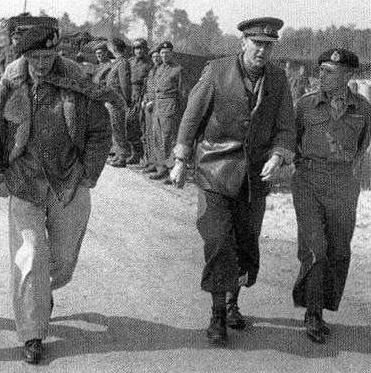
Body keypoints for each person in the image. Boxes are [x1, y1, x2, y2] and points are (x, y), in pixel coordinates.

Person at [0, 25, 112, 364]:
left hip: (69, 182)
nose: (41, 64)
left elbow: (100, 131)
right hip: (24, 182)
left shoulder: (77, 81)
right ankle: (32, 334)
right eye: (35, 57)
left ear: (57, 54)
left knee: (62, 262)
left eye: (48, 56)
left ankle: (41, 292)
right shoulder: (7, 84)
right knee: (30, 255)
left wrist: (88, 173)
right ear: (24, 55)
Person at [170, 17, 295, 345]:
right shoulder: (216, 71)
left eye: (268, 46)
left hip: (254, 178)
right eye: (257, 44)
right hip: (215, 171)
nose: (262, 51)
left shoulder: (278, 79)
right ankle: (217, 314)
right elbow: (191, 117)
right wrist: (181, 159)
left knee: (244, 243)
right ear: (243, 43)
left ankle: (232, 303)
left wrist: (278, 156)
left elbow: (286, 127)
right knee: (218, 241)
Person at [291, 49, 371, 344]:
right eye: (321, 69)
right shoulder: (305, 104)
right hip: (309, 182)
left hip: (344, 186)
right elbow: (292, 139)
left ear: (348, 75)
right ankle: (313, 313)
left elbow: (362, 145)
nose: (321, 75)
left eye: (329, 71)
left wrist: (346, 171)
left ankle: (323, 305)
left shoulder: (363, 108)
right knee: (315, 249)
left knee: (338, 251)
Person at [150, 41, 186, 183]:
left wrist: (181, 111)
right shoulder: (158, 69)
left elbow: (183, 92)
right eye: (162, 53)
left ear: (172, 53)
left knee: (169, 139)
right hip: (158, 106)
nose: (164, 55)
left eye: (167, 53)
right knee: (157, 137)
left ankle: (172, 171)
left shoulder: (178, 69)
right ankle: (161, 168)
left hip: (170, 106)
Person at [105, 37, 132, 168]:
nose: (108, 48)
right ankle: (118, 153)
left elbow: (124, 84)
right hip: (112, 100)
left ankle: (122, 156)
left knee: (118, 128)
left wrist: (126, 100)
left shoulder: (122, 63)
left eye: (110, 46)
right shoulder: (117, 62)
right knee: (114, 127)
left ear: (114, 48)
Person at [128, 38, 152, 165]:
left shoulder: (150, 64)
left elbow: (151, 82)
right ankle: (134, 153)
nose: (139, 51)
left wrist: (146, 98)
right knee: (129, 124)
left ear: (145, 50)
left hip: (142, 95)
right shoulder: (130, 62)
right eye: (137, 48)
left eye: (142, 48)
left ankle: (146, 156)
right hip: (130, 95)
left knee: (143, 126)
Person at [140, 45, 162, 172]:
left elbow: (162, 91)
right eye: (153, 57)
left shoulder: (163, 70)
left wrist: (153, 102)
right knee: (148, 134)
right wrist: (144, 99)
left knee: (157, 136)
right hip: (148, 107)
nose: (156, 59)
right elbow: (147, 88)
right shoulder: (151, 71)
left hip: (157, 107)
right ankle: (151, 161)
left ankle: (159, 165)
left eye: (157, 56)